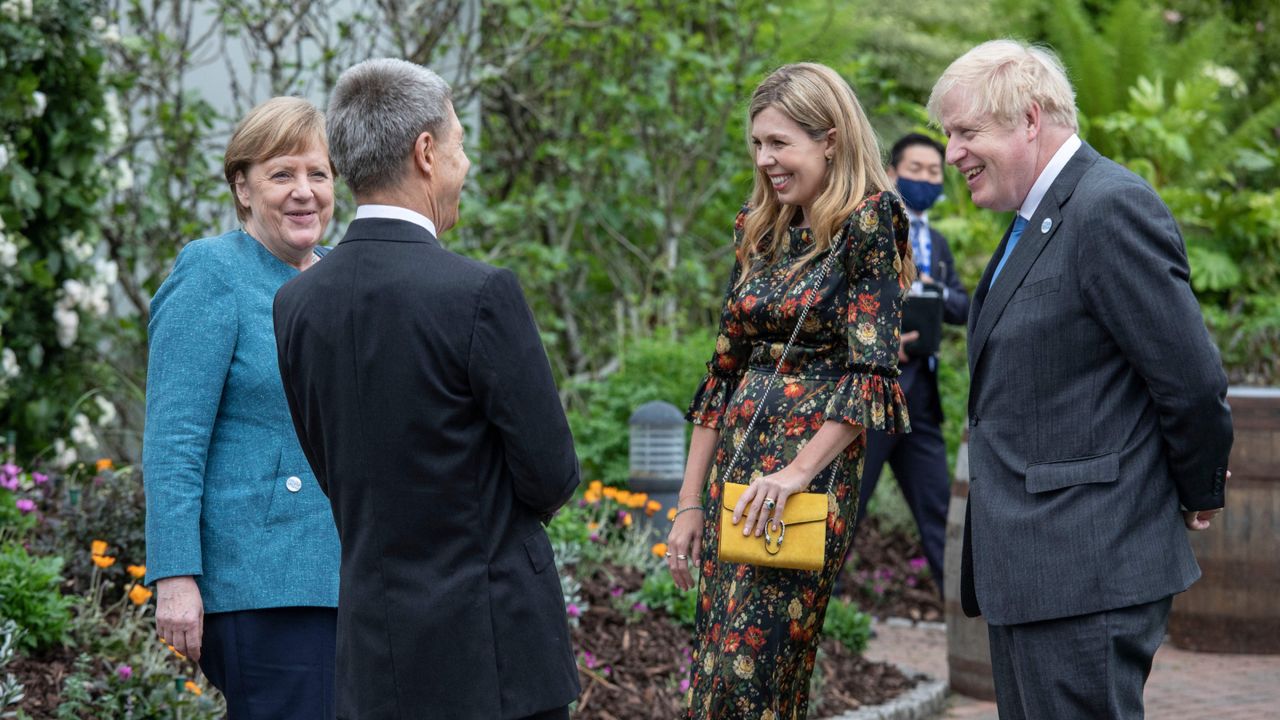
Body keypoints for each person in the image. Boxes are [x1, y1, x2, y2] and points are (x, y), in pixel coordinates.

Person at [929, 40, 1233, 719]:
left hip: (1086, 570)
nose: (952, 153)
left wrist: (1196, 488)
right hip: (1038, 575)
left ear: (1029, 119)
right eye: (950, 135)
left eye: (966, 131)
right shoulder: (1035, 219)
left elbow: (1190, 381)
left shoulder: (1108, 208)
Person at [273, 58, 580, 720]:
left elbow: (332, 466)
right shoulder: (478, 293)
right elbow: (552, 475)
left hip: (373, 657)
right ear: (425, 152)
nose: (464, 166)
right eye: (460, 146)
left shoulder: (296, 304)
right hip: (492, 656)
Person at [665, 62, 913, 719]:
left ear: (829, 138)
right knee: (717, 665)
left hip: (805, 479)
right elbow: (722, 372)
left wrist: (796, 475)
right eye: (757, 144)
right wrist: (688, 504)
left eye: (780, 143)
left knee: (763, 669)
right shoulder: (757, 227)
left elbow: (872, 376)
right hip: (736, 471)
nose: (766, 159)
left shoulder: (869, 221)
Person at [143, 96, 341, 718]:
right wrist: (174, 576)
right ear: (242, 187)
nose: (304, 192)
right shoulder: (212, 272)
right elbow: (173, 438)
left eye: (319, 174)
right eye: (282, 174)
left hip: (355, 576)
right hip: (259, 584)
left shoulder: (343, 278)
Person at [855, 133, 969, 592]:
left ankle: (961, 607)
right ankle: (821, 603)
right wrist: (881, 344)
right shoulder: (867, 229)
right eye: (915, 170)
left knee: (937, 504)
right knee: (851, 497)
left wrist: (931, 290)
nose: (924, 179)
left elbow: (965, 305)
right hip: (875, 391)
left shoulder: (937, 245)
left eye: (934, 172)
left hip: (922, 394)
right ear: (892, 173)